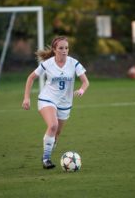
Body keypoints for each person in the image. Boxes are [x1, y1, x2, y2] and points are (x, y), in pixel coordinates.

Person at [22, 36, 89, 169]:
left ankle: (46, 154)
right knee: (53, 125)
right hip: (47, 99)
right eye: (61, 48)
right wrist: (26, 98)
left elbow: (85, 81)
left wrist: (81, 90)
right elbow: (31, 78)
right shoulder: (47, 64)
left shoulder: (74, 63)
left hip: (65, 104)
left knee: (56, 134)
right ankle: (46, 159)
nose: (64, 50)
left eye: (66, 48)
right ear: (54, 50)